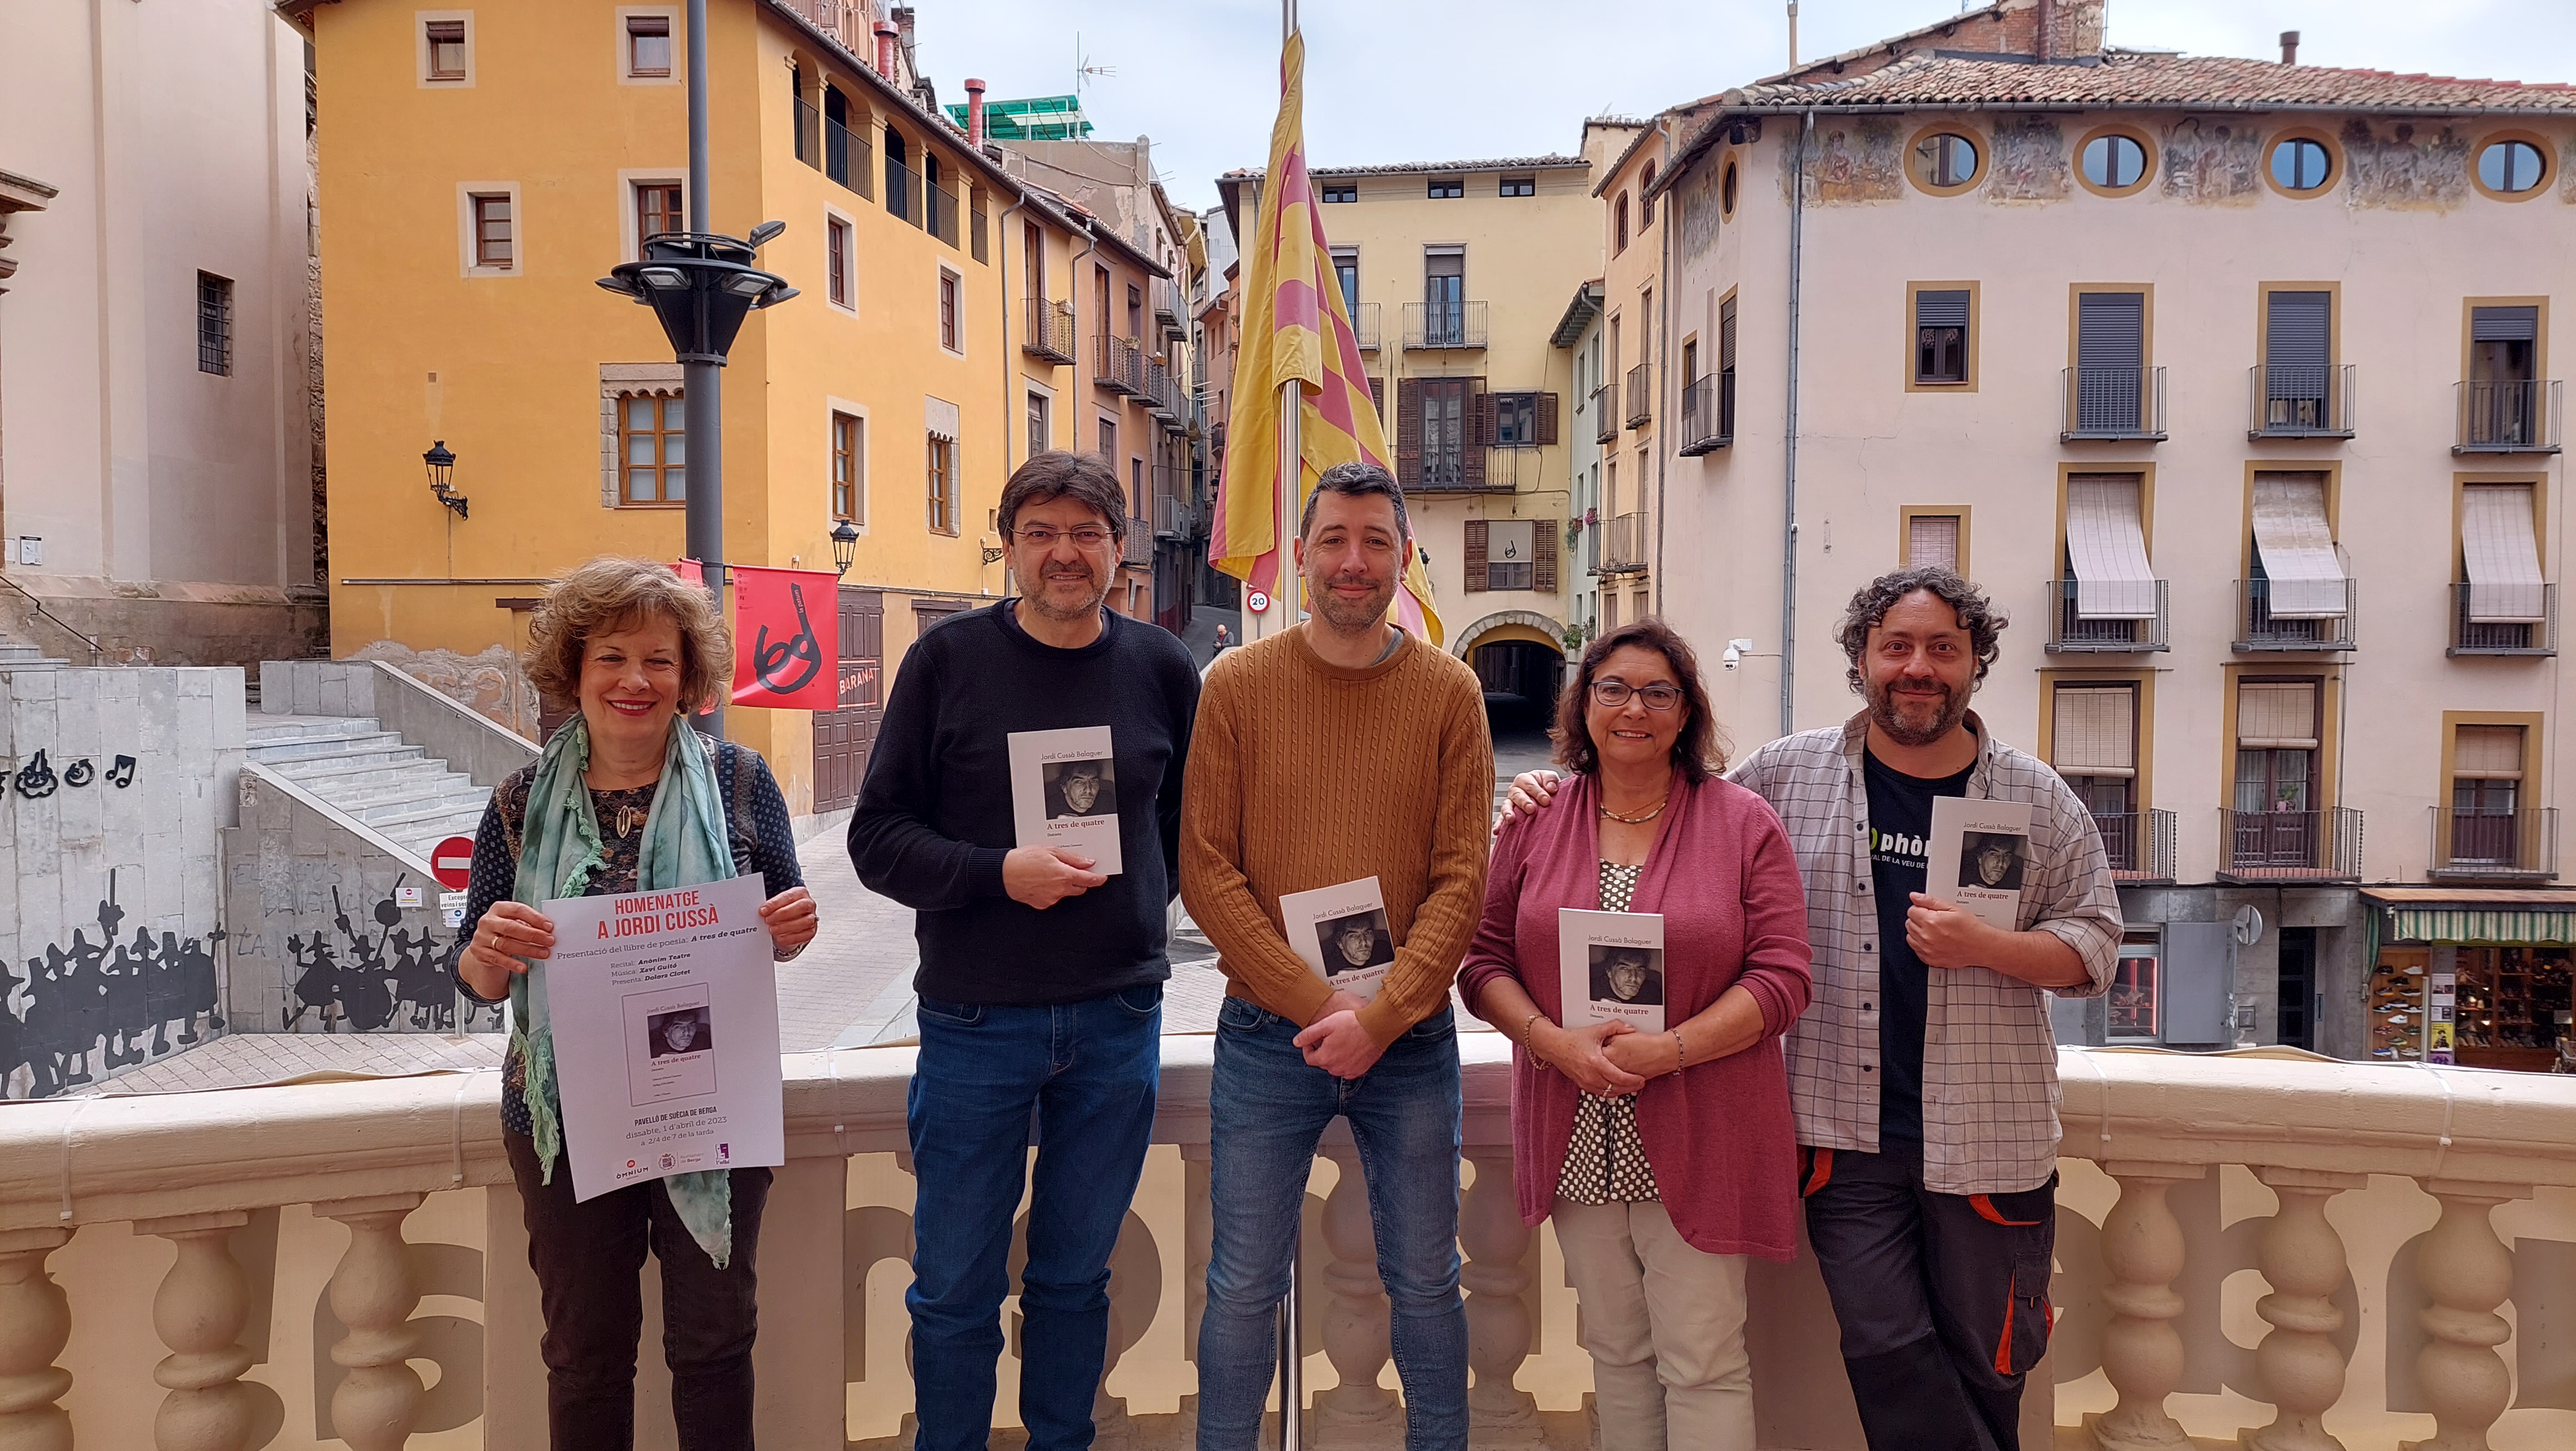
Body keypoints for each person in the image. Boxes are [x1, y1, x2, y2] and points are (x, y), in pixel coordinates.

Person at [1502, 569, 2121, 1451]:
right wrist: (1546, 789)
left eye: (1943, 648)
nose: (1918, 668)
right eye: (1896, 647)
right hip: (1845, 1138)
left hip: (1992, 1135)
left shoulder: (2036, 797)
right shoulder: (1782, 779)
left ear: (1975, 662)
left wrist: (1988, 947)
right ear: (1861, 661)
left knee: (1993, 1360)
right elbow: (1661, 803)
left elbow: (2096, 948)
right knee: (1884, 1350)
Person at [847, 450, 1199, 1451]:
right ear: (1008, 547)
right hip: (975, 1018)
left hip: (1116, 1017)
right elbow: (876, 839)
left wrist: (1127, 907)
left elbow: (1184, 830)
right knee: (954, 1289)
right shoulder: (947, 662)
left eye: (1086, 534)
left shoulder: (1162, 668)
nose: (1064, 554)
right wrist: (1001, 874)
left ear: (1120, 550)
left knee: (1074, 1282)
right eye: (1041, 533)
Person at [450, 557, 818, 1451]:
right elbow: (471, 974)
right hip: (565, 1117)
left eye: (659, 660)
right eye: (611, 657)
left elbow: (784, 926)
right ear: (573, 674)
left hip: (708, 1104)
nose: (635, 681)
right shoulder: (519, 801)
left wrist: (793, 926)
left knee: (715, 1346)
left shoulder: (741, 782)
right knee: (584, 1353)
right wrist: (490, 952)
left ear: (689, 681)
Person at [1180, 461, 1495, 1451]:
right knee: (1241, 1283)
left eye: (1374, 543)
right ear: (1304, 555)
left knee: (1429, 1281)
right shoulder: (1234, 684)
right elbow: (1205, 869)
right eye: (1334, 541)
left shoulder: (1451, 692)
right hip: (1269, 1036)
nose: (1354, 563)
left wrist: (1384, 1015)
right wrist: (1328, 1008)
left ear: (1405, 557)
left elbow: (1462, 877)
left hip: (1409, 1041)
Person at [1462, 619, 1811, 1451]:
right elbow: (1481, 962)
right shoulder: (1537, 818)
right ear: (1584, 706)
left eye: (1659, 692)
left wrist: (1669, 1050)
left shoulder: (1742, 823)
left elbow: (1784, 977)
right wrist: (1554, 1044)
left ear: (1686, 713)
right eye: (1613, 689)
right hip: (1578, 1127)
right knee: (1615, 1354)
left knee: (1702, 1360)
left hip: (1702, 1123)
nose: (1634, 709)